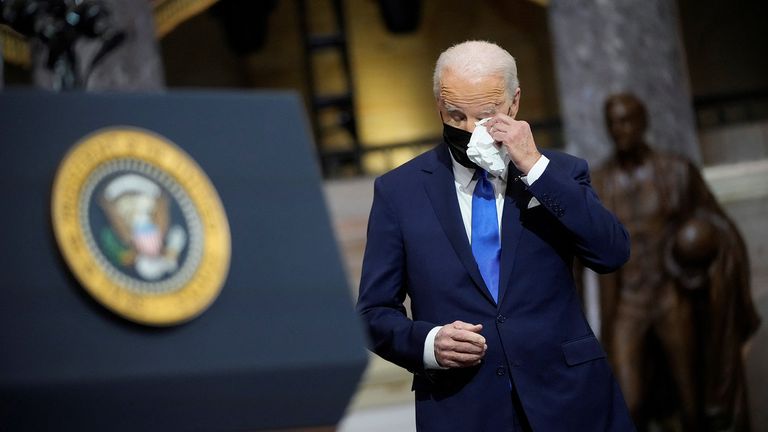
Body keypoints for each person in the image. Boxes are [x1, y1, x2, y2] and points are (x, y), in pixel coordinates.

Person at [356, 40, 635, 431]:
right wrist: (428, 343)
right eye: (456, 115)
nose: (470, 131)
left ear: (513, 103)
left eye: (485, 115)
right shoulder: (399, 192)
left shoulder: (561, 173)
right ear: (438, 105)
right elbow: (372, 314)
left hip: (571, 401)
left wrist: (535, 168)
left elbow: (612, 253)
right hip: (464, 408)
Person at [592, 93, 760, 431]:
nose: (620, 129)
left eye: (626, 120)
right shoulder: (599, 182)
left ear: (642, 123)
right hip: (629, 304)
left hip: (671, 297)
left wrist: (697, 239)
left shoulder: (676, 171)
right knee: (630, 399)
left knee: (691, 397)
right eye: (613, 122)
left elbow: (719, 225)